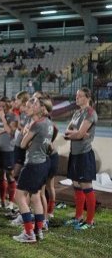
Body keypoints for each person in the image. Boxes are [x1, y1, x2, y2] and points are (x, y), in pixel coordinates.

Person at [13, 97, 53, 243]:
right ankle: (38, 230)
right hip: (43, 163)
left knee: (19, 197)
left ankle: (29, 233)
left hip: (33, 164)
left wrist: (27, 135)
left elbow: (23, 144)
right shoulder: (48, 123)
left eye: (34, 104)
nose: (30, 106)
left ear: (42, 108)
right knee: (35, 197)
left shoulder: (36, 124)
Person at [64, 87, 98, 230]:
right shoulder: (77, 113)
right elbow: (67, 133)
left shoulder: (90, 113)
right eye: (76, 96)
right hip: (75, 153)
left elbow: (78, 135)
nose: (76, 98)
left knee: (86, 187)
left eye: (79, 96)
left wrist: (78, 134)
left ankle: (90, 221)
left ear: (87, 97)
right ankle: (78, 217)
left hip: (84, 154)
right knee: (77, 185)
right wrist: (77, 133)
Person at [0, 97, 17, 210]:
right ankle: (2, 200)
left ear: (7, 106)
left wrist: (3, 119)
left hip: (9, 150)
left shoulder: (13, 117)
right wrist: (1, 130)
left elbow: (11, 131)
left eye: (2, 106)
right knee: (0, 174)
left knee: (10, 176)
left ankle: (11, 202)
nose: (0, 108)